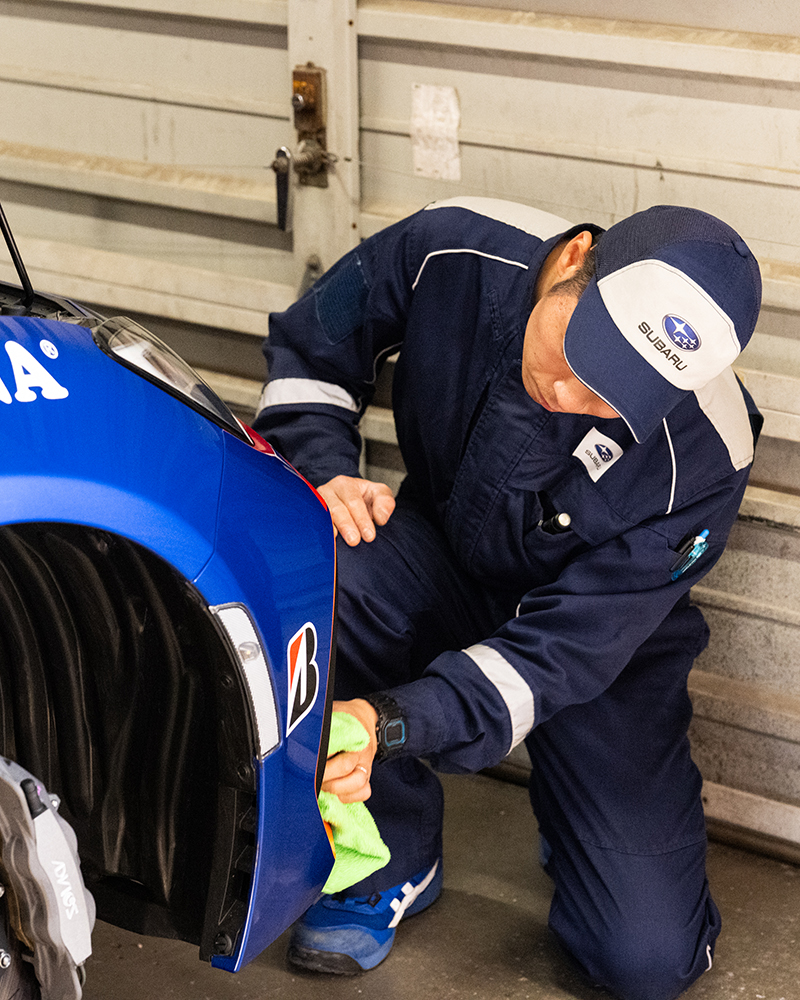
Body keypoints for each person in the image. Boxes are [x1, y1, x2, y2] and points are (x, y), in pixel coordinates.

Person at [251, 197, 762, 1000]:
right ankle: (392, 854)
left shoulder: (706, 450)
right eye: (575, 350)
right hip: (438, 558)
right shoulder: (450, 245)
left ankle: (586, 819)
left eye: (609, 394)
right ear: (572, 261)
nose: (566, 392)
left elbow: (561, 656)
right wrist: (322, 470)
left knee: (644, 960)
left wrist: (386, 719)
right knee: (331, 569)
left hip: (595, 645)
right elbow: (318, 342)